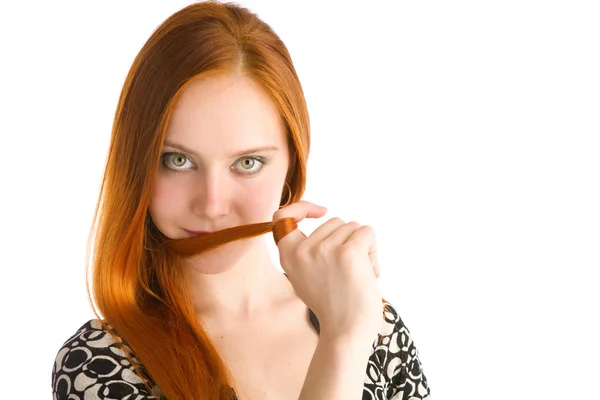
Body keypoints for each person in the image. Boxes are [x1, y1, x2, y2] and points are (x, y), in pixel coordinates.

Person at [50, 1, 431, 399]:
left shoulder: (375, 327)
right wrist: (341, 342)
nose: (212, 205)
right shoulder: (98, 361)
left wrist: (351, 328)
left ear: (292, 167)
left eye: (247, 163)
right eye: (177, 160)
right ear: (136, 164)